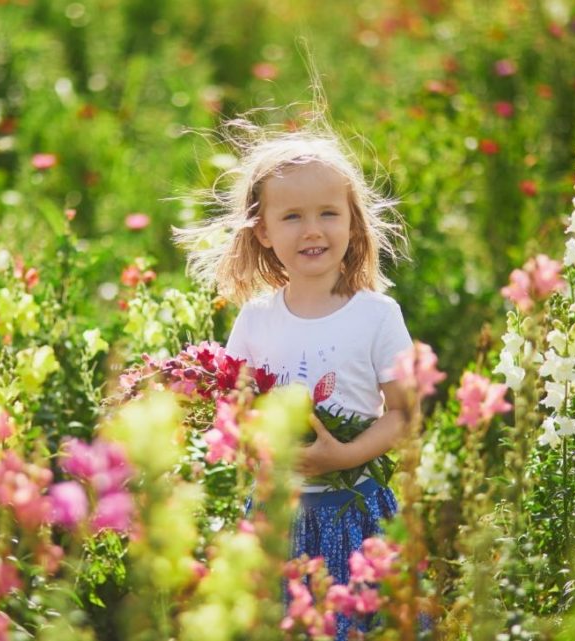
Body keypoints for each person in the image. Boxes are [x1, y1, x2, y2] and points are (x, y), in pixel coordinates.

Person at [174, 116, 414, 639]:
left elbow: (404, 412)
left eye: (329, 213)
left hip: (355, 509)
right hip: (276, 513)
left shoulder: (377, 315)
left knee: (358, 624)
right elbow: (232, 410)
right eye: (292, 217)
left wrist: (344, 455)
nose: (313, 230)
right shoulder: (257, 318)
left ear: (353, 221)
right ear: (263, 230)